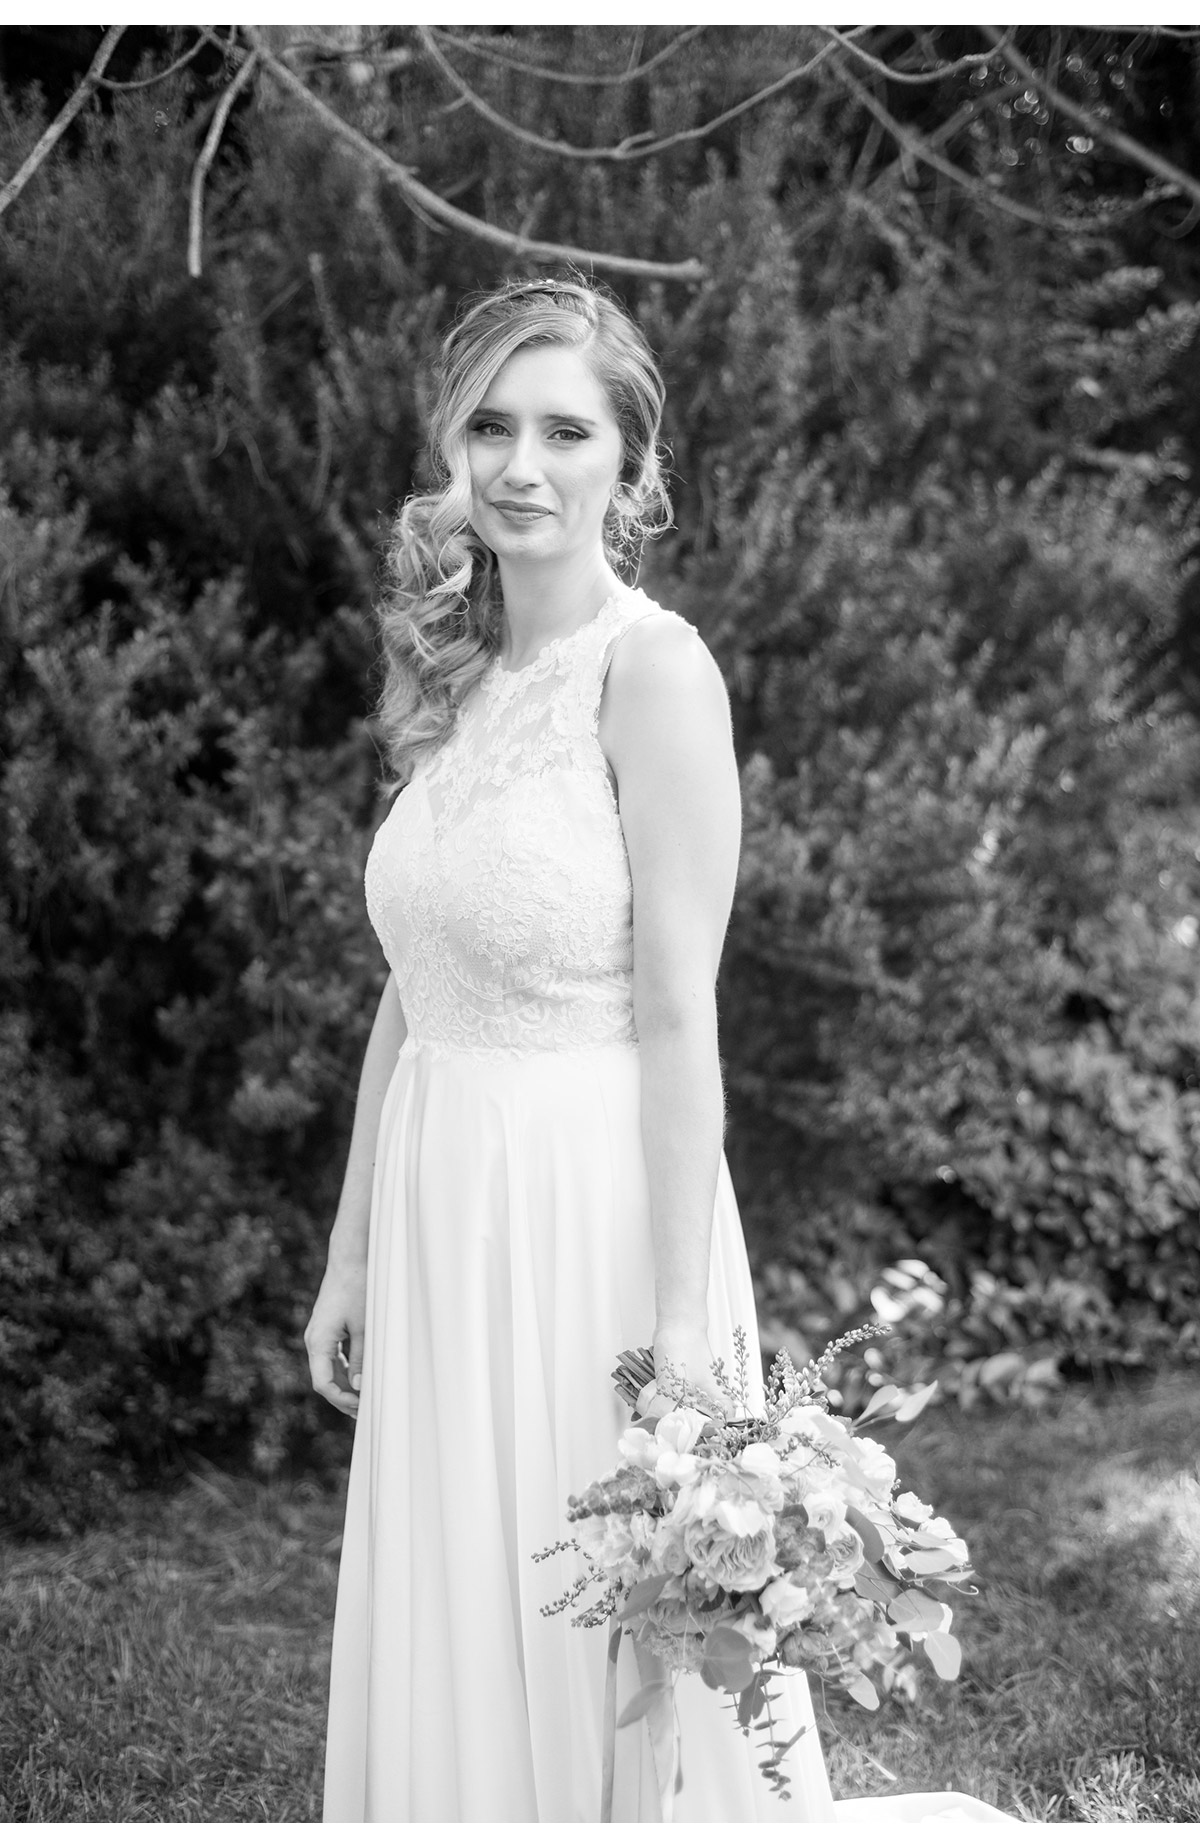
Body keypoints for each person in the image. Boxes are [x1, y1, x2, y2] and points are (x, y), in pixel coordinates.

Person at [305, 277, 1011, 1826]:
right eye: (489, 425)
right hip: (442, 1210)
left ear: (632, 470)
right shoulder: (457, 681)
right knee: (465, 1579)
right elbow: (412, 986)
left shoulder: (658, 673)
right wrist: (354, 1252)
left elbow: (681, 1014)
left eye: (567, 431)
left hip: (588, 1218)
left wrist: (683, 1324)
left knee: (600, 1601)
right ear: (449, 446)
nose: (520, 466)